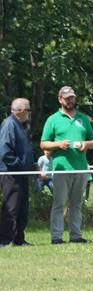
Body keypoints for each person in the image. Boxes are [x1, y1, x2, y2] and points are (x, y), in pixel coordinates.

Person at [40, 86, 93, 244]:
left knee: (76, 204)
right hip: (61, 169)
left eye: (72, 97)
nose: (70, 100)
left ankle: (76, 235)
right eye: (67, 98)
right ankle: (56, 237)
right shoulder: (53, 119)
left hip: (80, 169)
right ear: (60, 99)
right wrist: (58, 144)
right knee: (59, 204)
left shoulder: (83, 118)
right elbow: (43, 144)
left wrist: (87, 144)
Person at [1, 98, 37, 246]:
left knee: (22, 208)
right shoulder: (9, 125)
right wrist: (20, 165)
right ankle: (4, 239)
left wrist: (31, 165)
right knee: (11, 207)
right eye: (28, 110)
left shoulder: (20, 126)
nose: (29, 113)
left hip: (22, 174)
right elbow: (5, 151)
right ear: (21, 111)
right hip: (12, 174)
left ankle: (18, 238)